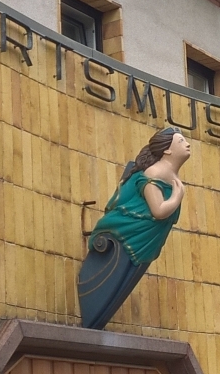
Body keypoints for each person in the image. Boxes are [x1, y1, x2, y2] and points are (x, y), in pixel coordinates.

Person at [77, 126, 191, 330]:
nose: (187, 144)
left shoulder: (170, 174)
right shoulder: (155, 173)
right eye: (181, 141)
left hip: (147, 238)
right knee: (116, 277)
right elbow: (158, 210)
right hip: (132, 230)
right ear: (167, 150)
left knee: (124, 279)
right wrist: (176, 197)